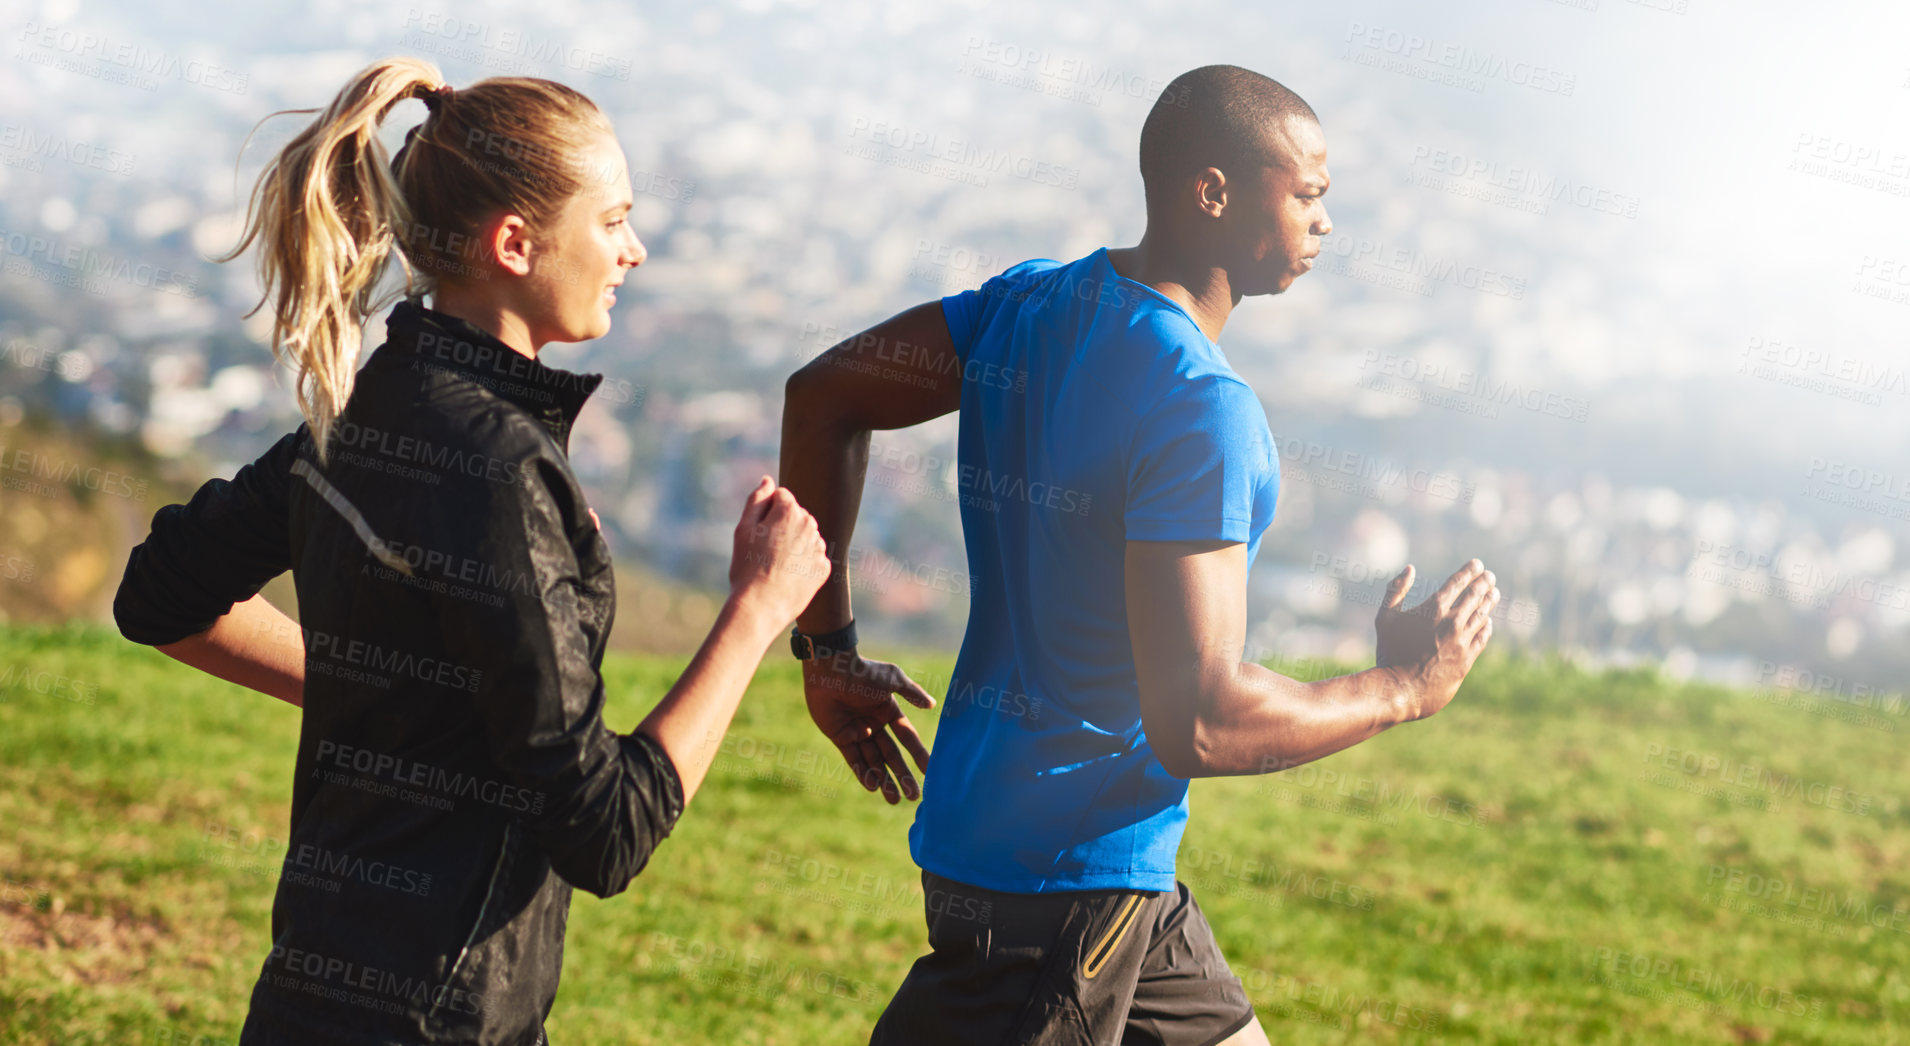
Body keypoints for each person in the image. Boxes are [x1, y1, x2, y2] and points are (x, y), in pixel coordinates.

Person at [779, 64, 1501, 1045]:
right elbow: (1198, 721)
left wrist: (826, 653)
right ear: (1212, 192)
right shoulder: (1198, 403)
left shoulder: (1027, 305)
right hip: (1063, 887)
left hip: (1052, 861)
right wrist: (1400, 688)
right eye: (1306, 195)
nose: (1324, 223)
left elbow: (821, 398)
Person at [112, 58, 829, 1045]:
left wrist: (385, 691)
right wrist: (758, 606)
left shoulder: (366, 414)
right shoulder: (499, 471)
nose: (635, 249)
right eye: (612, 220)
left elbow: (159, 595)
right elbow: (606, 828)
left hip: (303, 1001)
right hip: (442, 1017)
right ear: (515, 243)